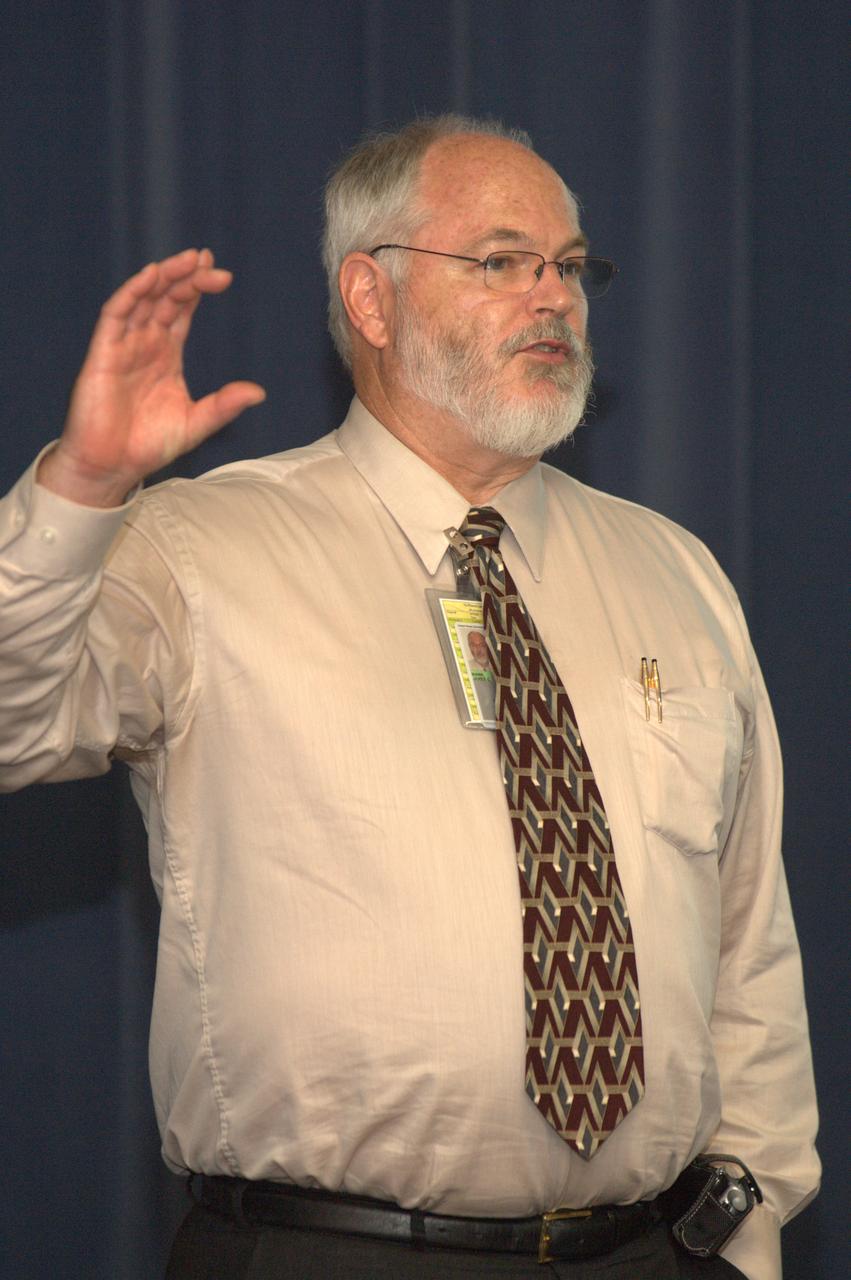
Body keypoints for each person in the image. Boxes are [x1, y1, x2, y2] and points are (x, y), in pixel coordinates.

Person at [0, 115, 819, 1279]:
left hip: (649, 1250)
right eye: (500, 261)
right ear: (370, 300)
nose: (553, 297)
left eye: (567, 265)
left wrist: (748, 1222)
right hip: (328, 1250)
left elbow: (746, 941)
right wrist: (84, 486)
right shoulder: (197, 550)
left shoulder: (672, 573)